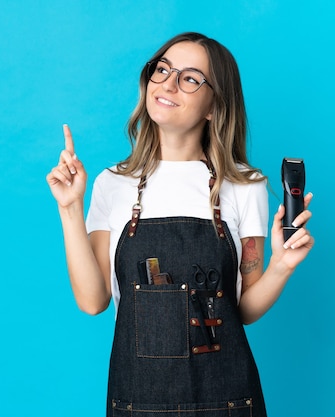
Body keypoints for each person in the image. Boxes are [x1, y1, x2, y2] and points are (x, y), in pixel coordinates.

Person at [46, 32, 314, 417]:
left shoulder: (244, 185)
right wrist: (70, 208)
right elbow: (93, 301)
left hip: (229, 401)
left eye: (189, 78)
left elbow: (245, 310)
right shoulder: (112, 183)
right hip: (138, 402)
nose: (168, 84)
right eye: (163, 69)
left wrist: (282, 266)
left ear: (213, 106)